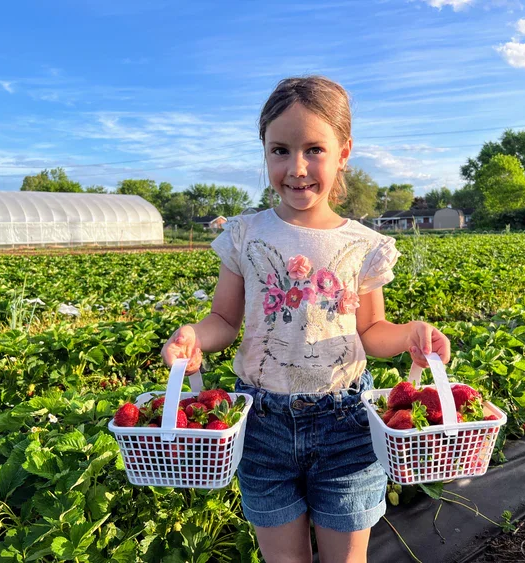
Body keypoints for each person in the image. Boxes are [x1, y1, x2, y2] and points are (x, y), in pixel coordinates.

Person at [161, 75, 451, 563]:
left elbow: (373, 333)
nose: (296, 168)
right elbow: (223, 320)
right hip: (260, 424)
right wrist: (194, 337)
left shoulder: (362, 243)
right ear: (265, 153)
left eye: (314, 149)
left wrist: (412, 336)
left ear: (344, 152)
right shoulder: (244, 234)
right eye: (280, 151)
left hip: (347, 424)